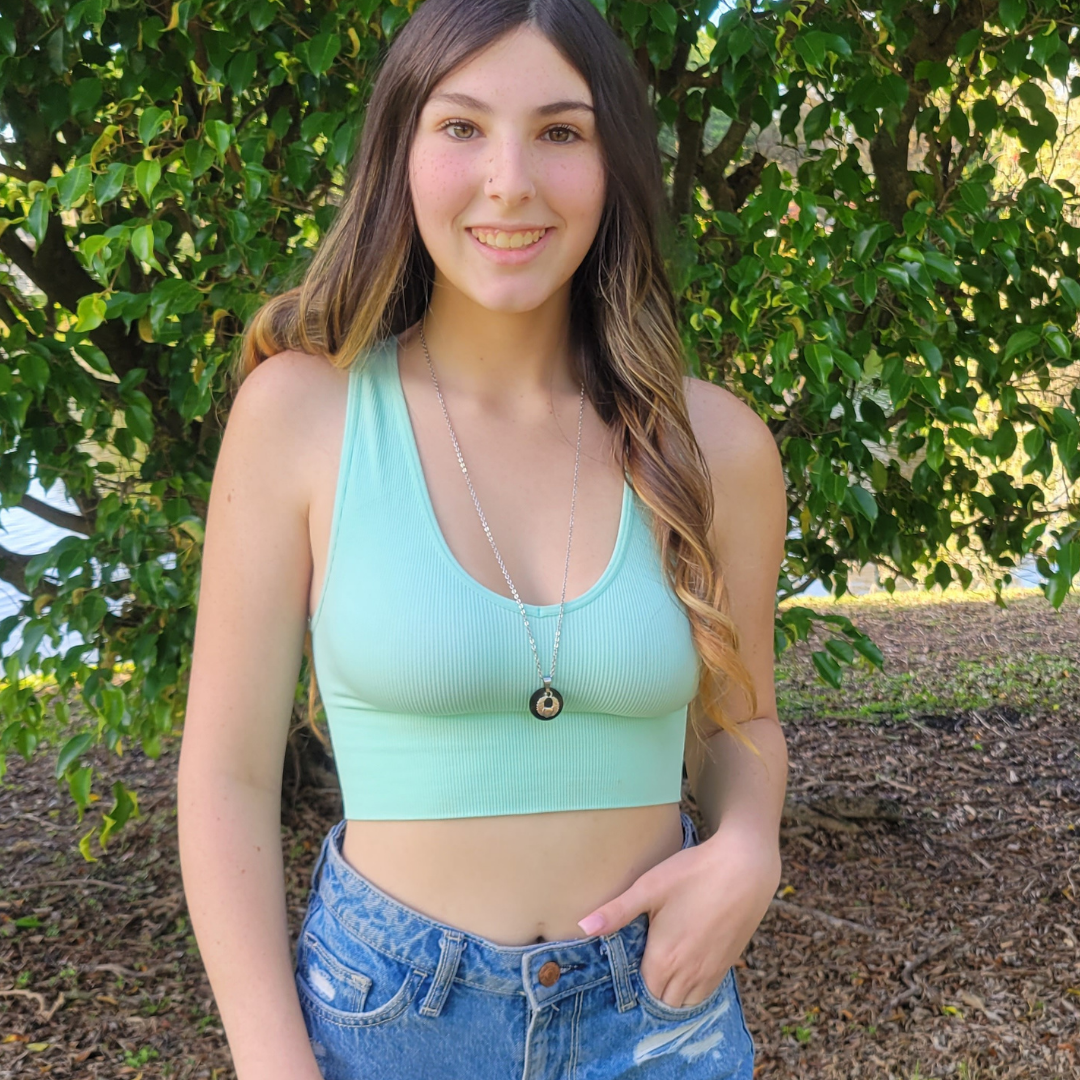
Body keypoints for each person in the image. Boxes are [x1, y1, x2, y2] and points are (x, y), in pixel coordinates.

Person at [177, 1, 788, 1077]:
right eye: (462, 128)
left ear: (614, 167)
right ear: (399, 157)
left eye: (561, 131)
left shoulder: (718, 446)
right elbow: (225, 776)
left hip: (656, 1017)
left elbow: (741, 726)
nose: (510, 181)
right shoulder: (300, 418)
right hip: (384, 1020)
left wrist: (749, 844)